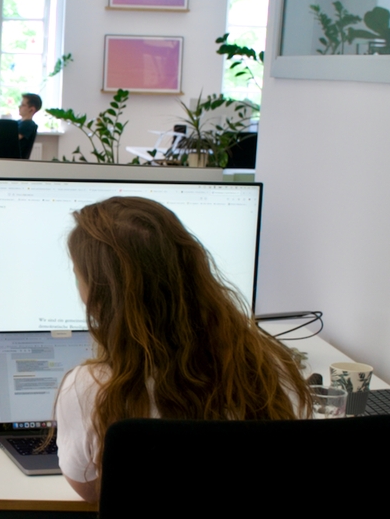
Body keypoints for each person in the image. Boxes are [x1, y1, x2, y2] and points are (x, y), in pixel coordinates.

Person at [54, 197, 311, 503]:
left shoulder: (87, 388)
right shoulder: (270, 368)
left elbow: (94, 494)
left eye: (77, 274)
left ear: (99, 298)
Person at [17, 93, 42, 159]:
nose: (19, 107)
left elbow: (12, 139)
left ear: (31, 109)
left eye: (23, 105)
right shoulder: (19, 122)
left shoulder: (28, 125)